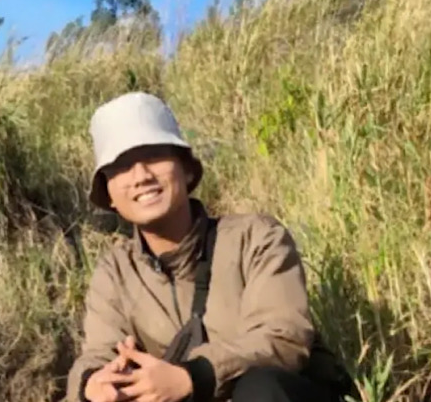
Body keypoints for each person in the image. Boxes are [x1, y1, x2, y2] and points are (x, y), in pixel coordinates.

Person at [68, 92, 354, 402]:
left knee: (259, 389)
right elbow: (98, 353)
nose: (141, 176)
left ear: (187, 169)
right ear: (108, 193)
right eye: (122, 166)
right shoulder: (115, 272)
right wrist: (93, 383)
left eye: (154, 156)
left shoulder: (256, 238)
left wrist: (191, 377)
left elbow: (284, 337)